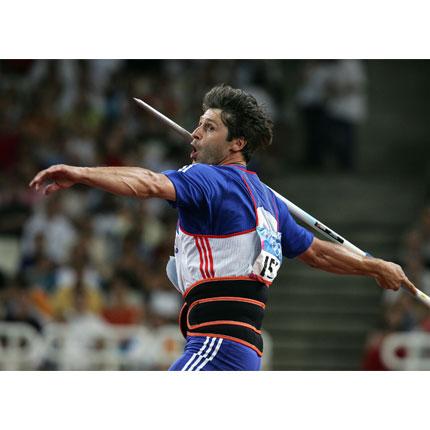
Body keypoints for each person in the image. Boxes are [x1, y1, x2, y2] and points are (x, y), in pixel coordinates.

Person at [29, 84, 417, 371]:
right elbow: (314, 253)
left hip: (216, 345)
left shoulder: (208, 180)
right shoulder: (267, 200)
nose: (195, 133)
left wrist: (81, 173)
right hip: (242, 350)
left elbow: (147, 183)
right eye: (198, 125)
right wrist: (374, 266)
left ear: (237, 143)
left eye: (209, 127)